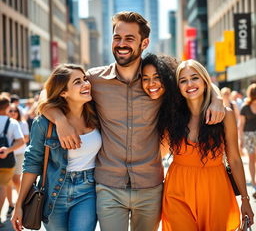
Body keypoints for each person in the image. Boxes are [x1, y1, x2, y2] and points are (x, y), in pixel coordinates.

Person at [40, 12, 225, 231]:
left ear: (144, 42)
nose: (121, 44)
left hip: (150, 186)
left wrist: (217, 97)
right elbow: (49, 96)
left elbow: (195, 80)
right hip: (109, 186)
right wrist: (60, 119)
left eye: (129, 38)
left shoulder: (158, 81)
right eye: (117, 37)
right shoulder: (94, 79)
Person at [142, 57, 254, 230]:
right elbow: (160, 151)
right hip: (177, 191)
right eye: (183, 81)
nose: (189, 84)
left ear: (204, 80)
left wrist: (245, 200)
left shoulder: (225, 115)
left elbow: (235, 159)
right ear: (178, 87)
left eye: (194, 78)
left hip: (215, 190)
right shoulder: (171, 116)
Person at [11, 64, 101, 231]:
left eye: (85, 79)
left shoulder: (98, 113)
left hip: (88, 190)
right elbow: (32, 163)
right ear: (63, 92)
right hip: (54, 191)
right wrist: (19, 204)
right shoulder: (44, 123)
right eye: (77, 82)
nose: (86, 84)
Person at [0, 96, 24, 227]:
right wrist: (8, 150)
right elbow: (21, 141)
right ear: (7, 107)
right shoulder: (12, 123)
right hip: (6, 160)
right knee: (2, 187)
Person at [6, 104, 30, 218]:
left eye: (14, 111)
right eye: (10, 111)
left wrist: (13, 144)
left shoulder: (22, 123)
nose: (12, 113)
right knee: (7, 182)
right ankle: (10, 204)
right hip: (6, 156)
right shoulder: (7, 122)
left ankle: (21, 200)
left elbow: (26, 138)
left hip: (19, 154)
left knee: (16, 179)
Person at [239, 83, 256, 198]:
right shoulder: (245, 107)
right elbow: (241, 124)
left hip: (249, 135)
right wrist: (240, 139)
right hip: (249, 135)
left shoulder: (245, 107)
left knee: (252, 159)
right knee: (251, 159)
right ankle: (254, 183)